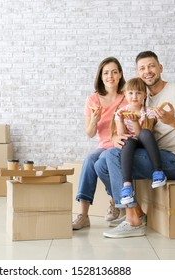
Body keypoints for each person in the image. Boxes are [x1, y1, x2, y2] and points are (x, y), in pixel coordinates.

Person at [95, 51, 175, 238]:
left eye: (151, 66)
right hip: (152, 153)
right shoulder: (142, 97)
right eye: (142, 68)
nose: (147, 71)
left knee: (111, 156)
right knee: (100, 164)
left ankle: (132, 222)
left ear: (160, 68)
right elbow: (125, 128)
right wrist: (116, 137)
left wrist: (173, 121)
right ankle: (136, 212)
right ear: (138, 74)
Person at [72, 56, 128, 230]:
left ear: (120, 75)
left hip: (120, 146)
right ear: (101, 76)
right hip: (103, 146)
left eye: (114, 72)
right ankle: (83, 215)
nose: (110, 76)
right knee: (90, 160)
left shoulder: (127, 97)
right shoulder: (93, 100)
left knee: (102, 160)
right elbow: (89, 133)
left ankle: (115, 202)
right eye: (106, 73)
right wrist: (95, 119)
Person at [114, 77, 167, 206]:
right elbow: (121, 135)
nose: (134, 96)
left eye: (138, 93)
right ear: (125, 94)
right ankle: (127, 185)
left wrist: (135, 121)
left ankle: (158, 171)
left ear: (144, 95)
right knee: (127, 140)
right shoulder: (120, 112)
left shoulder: (149, 112)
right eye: (131, 93)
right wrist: (121, 121)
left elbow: (142, 135)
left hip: (145, 142)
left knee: (145, 132)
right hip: (131, 144)